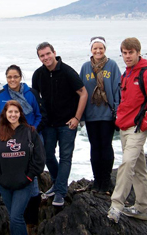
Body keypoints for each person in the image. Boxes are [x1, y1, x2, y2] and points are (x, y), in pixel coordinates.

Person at [107, 37, 147, 223]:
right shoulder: (127, 74)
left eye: (131, 52)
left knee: (127, 163)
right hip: (124, 126)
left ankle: (116, 205)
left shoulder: (146, 75)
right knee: (139, 167)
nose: (127, 56)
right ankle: (141, 208)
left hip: (137, 128)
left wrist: (144, 125)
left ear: (138, 52)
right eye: (124, 53)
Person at [0, 65, 47, 228]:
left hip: (28, 140)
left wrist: (32, 129)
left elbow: (41, 114)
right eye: (9, 77)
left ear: (21, 77)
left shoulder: (31, 93)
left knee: (32, 185)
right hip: (5, 139)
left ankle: (31, 219)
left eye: (15, 76)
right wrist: (1, 129)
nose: (12, 80)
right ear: (6, 78)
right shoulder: (0, 95)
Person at [32, 42, 88, 206]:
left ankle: (60, 192)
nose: (46, 58)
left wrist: (77, 118)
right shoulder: (38, 74)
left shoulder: (67, 71)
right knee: (47, 155)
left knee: (65, 157)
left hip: (67, 123)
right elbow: (35, 99)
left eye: (48, 54)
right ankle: (58, 183)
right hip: (48, 123)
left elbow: (83, 93)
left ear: (54, 53)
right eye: (42, 56)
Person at [79, 36, 121, 193]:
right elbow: (80, 92)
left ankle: (107, 180)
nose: (98, 50)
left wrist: (117, 110)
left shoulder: (112, 65)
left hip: (108, 114)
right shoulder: (85, 68)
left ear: (105, 49)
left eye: (100, 48)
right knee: (95, 147)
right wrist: (81, 116)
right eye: (95, 48)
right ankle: (97, 180)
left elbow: (118, 89)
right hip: (91, 115)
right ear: (91, 50)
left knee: (106, 146)